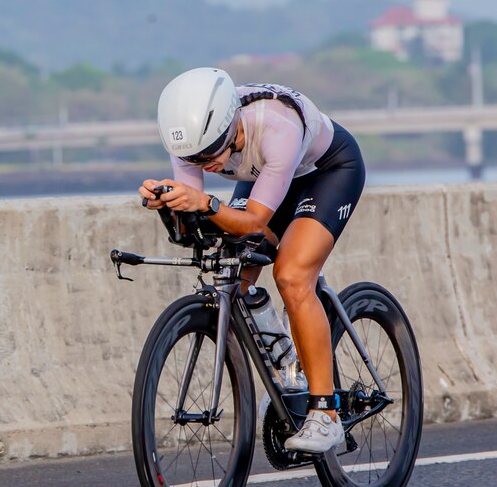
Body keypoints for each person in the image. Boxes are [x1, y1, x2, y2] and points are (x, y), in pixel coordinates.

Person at [138, 67, 365, 453]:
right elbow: (198, 218)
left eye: (208, 155)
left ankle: (325, 413)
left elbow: (254, 222)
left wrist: (207, 202)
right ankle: (290, 367)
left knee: (292, 276)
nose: (202, 164)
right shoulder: (194, 136)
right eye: (190, 158)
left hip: (326, 172)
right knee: (234, 278)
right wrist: (169, 202)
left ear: (229, 130)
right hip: (264, 174)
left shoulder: (277, 126)